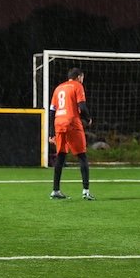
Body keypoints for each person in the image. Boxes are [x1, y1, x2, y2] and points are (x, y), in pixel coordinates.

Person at [48, 67, 95, 200]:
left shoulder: (58, 88)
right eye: (82, 77)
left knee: (61, 156)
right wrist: (88, 118)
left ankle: (55, 190)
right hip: (72, 122)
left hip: (58, 123)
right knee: (82, 156)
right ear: (79, 77)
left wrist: (51, 132)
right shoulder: (77, 86)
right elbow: (82, 106)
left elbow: (52, 111)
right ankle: (86, 191)